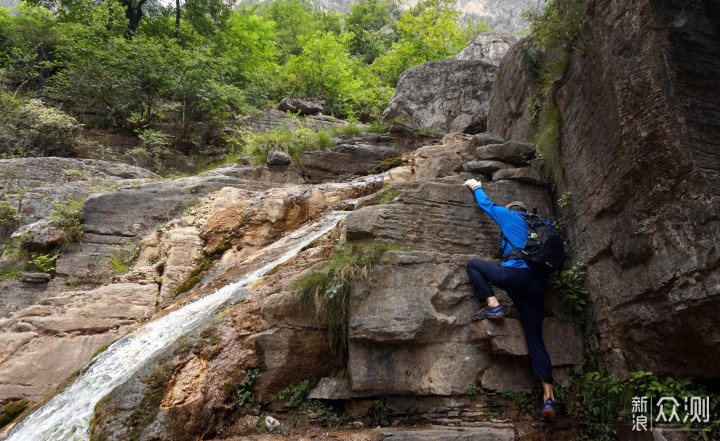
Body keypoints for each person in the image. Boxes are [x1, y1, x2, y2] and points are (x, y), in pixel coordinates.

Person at [463, 178, 557, 422]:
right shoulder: (545, 224)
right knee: (536, 339)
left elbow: (486, 205)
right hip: (538, 286)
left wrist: (475, 186)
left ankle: (493, 306)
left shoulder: (509, 216)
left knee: (473, 265)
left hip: (515, 277)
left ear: (513, 208)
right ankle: (549, 397)